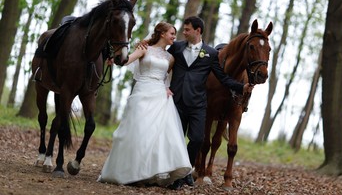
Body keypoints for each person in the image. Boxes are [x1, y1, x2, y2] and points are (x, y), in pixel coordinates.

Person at [97, 22, 192, 187]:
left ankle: (150, 172)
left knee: (158, 134)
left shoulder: (170, 58)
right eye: (172, 33)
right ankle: (130, 172)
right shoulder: (144, 49)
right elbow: (127, 61)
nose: (174, 37)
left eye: (174, 35)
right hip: (142, 91)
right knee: (138, 130)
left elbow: (166, 77)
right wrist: (115, 60)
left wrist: (167, 88)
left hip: (160, 96)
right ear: (162, 34)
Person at [167, 16, 254, 190]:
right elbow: (162, 60)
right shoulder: (176, 47)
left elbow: (222, 78)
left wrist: (241, 87)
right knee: (175, 139)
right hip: (176, 101)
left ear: (197, 30)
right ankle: (176, 175)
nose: (183, 33)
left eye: (187, 30)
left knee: (198, 139)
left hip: (198, 103)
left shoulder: (211, 53)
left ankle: (186, 170)